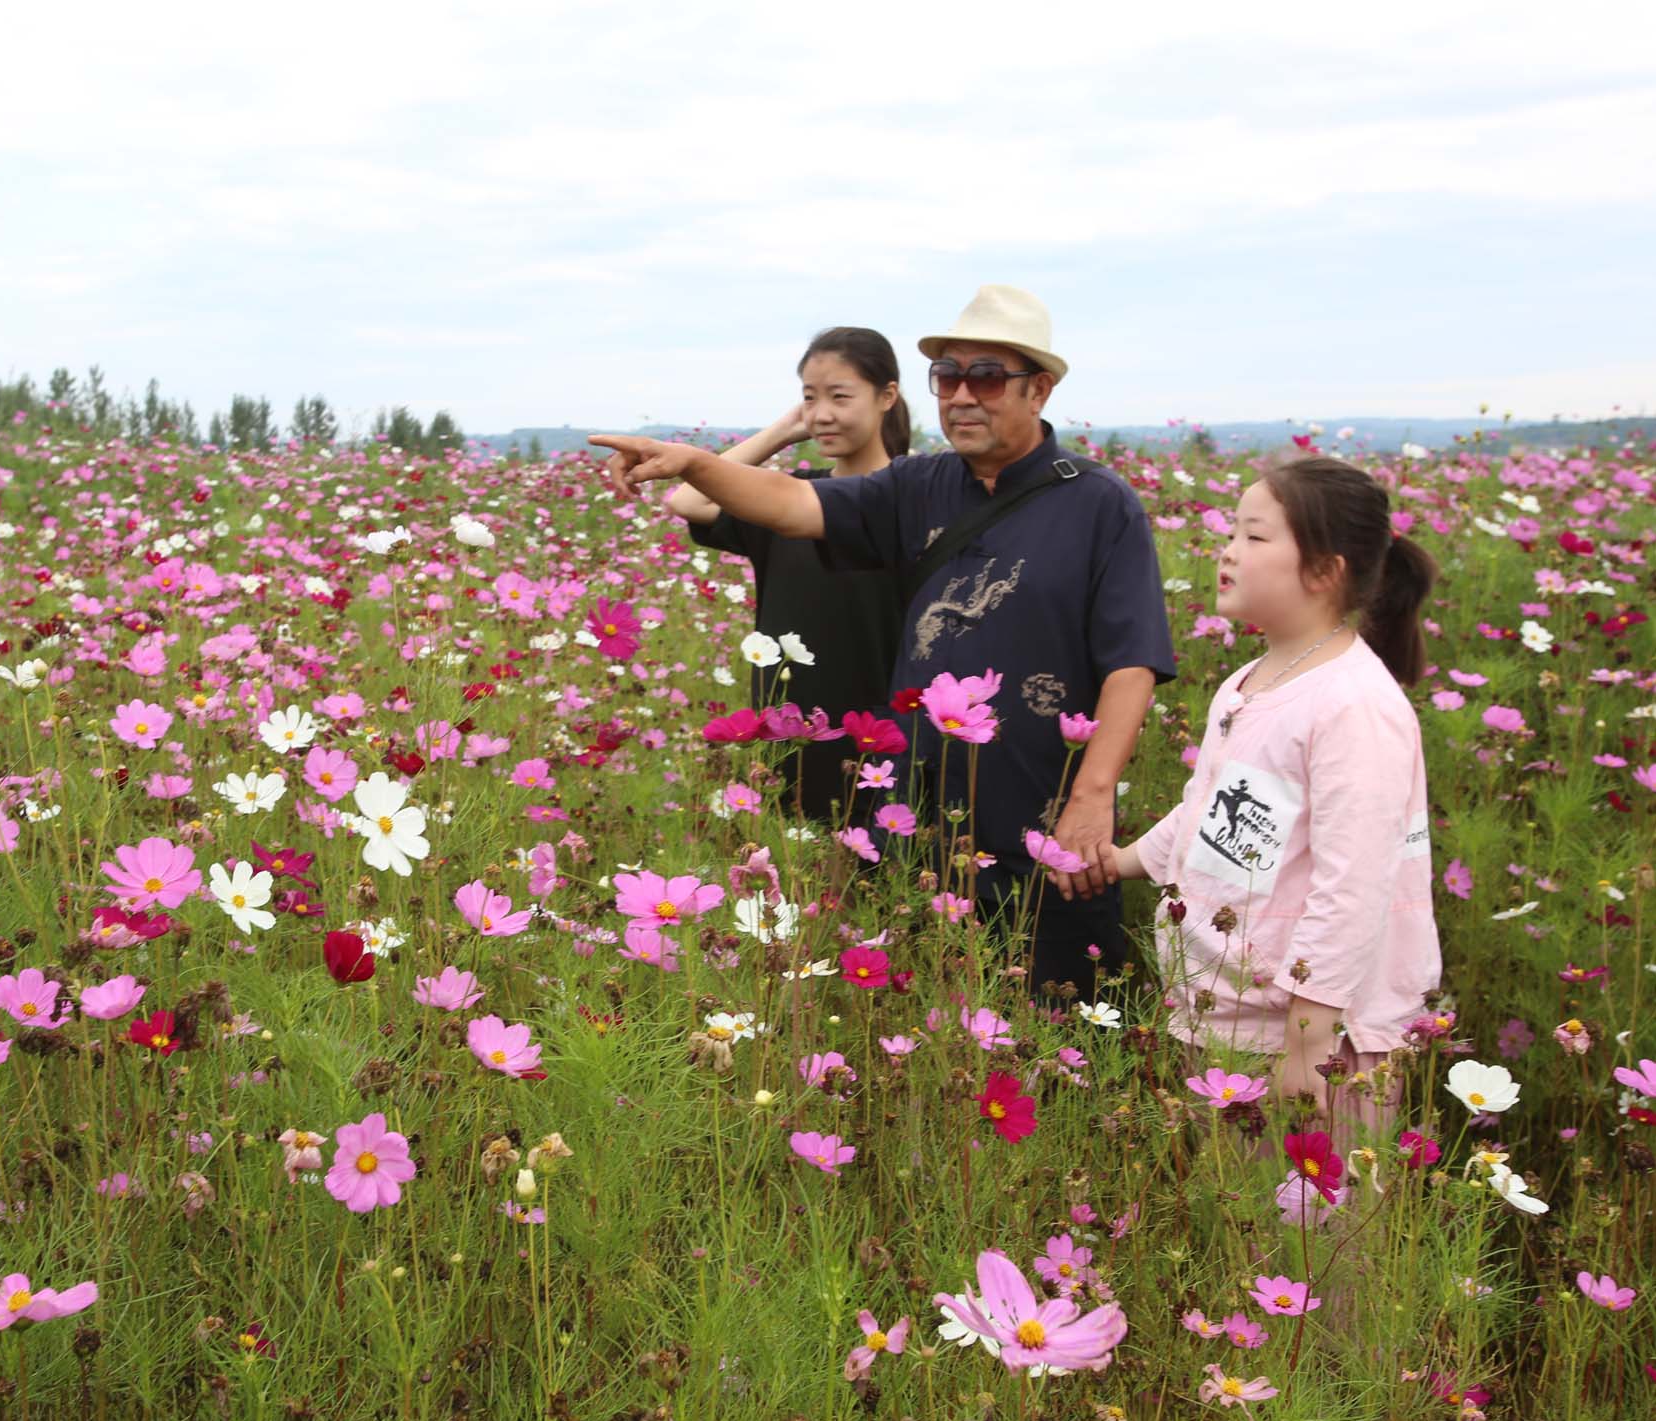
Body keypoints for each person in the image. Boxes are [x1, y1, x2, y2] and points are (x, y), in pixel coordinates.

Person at [592, 285, 1175, 1003]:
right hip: (921, 824)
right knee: (931, 1015)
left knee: (1060, 1014)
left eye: (986, 377)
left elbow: (1132, 660)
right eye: (948, 376)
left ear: (1040, 389)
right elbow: (791, 503)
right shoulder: (916, 486)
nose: (962, 395)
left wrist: (1091, 799)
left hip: (1045, 816)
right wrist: (691, 462)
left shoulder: (1097, 502)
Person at [1100, 456, 1443, 1133]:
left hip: (1321, 1041)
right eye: (1233, 532)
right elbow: (1210, 813)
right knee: (1239, 1225)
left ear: (1324, 570)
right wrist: (1120, 861)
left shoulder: (1354, 705)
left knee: (1315, 1230)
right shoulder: (1250, 680)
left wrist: (1308, 1041)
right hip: (1228, 1014)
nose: (1228, 551)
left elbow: (1354, 885)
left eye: (1256, 537)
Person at [665, 327, 908, 823]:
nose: (821, 414)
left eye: (840, 397)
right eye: (809, 399)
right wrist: (780, 432)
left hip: (881, 732)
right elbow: (688, 499)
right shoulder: (787, 500)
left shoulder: (914, 498)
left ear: (887, 396)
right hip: (790, 728)